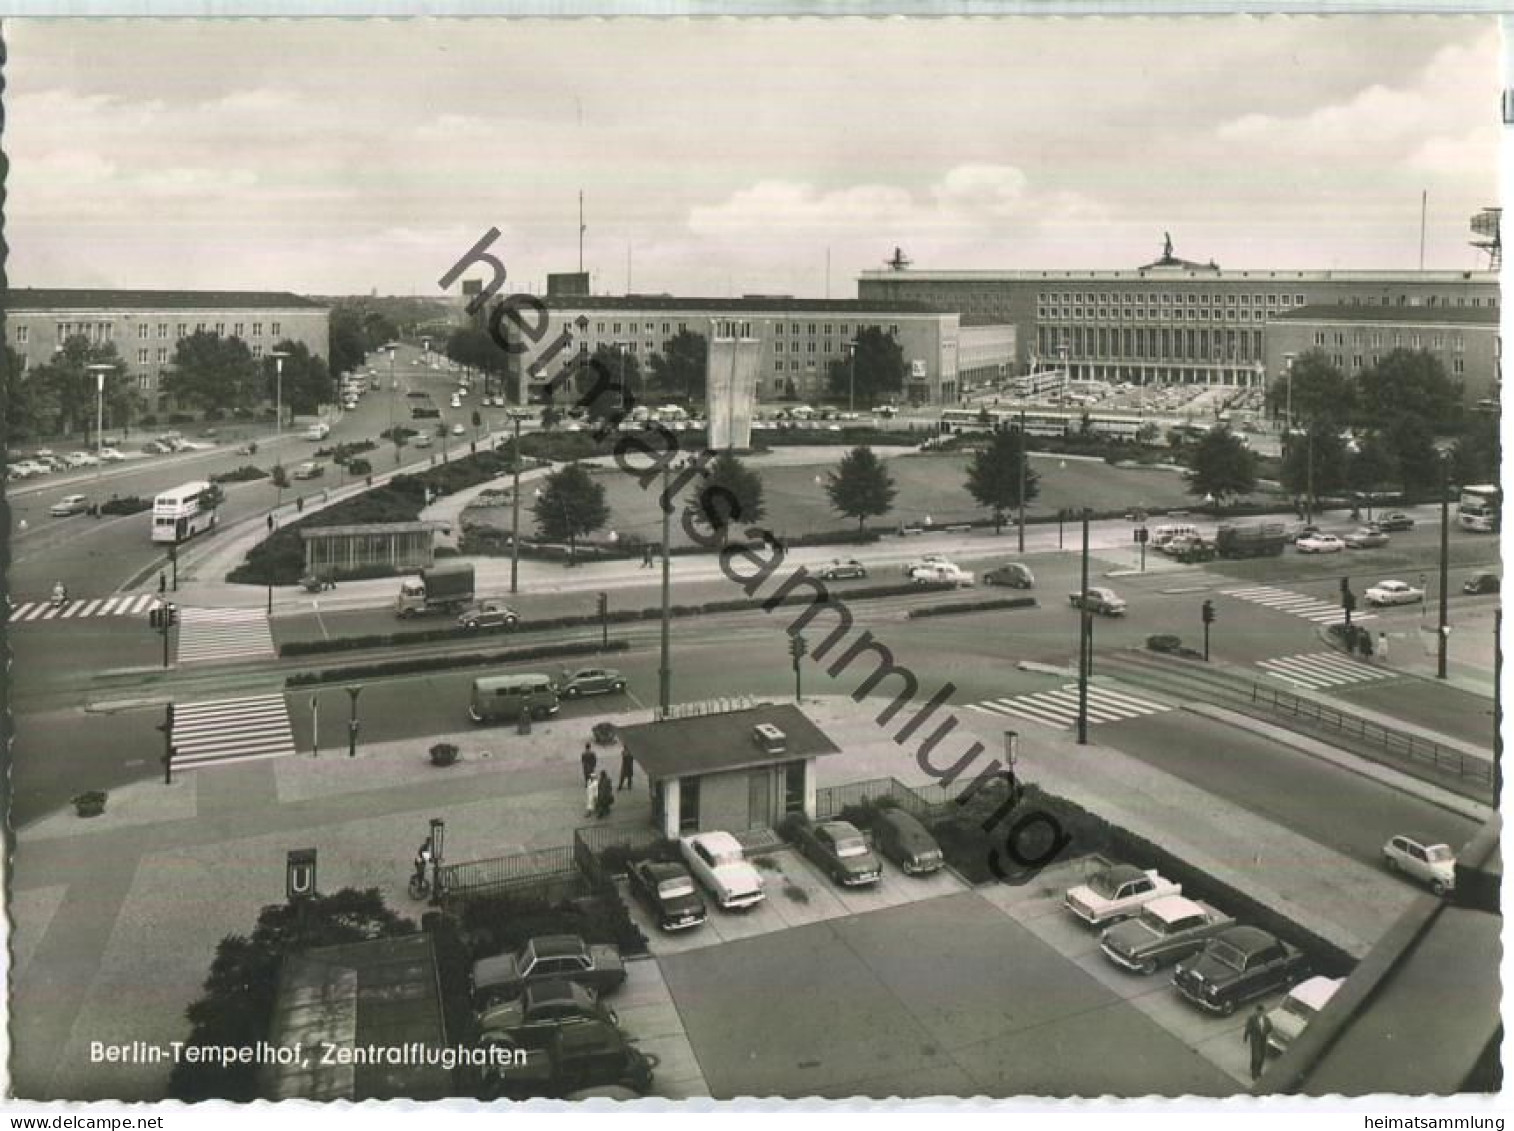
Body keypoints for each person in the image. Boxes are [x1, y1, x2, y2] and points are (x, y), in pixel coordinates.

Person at [1243, 1004, 1272, 1081]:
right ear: (1256, 1011)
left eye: (1261, 1012)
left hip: (1263, 1039)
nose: (1259, 1013)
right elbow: (1248, 1028)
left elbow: (1270, 1027)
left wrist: (1265, 1032)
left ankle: (1258, 1071)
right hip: (1255, 1039)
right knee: (1256, 1056)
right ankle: (1254, 1073)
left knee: (1262, 1055)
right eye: (1258, 1011)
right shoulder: (1252, 1018)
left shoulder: (1266, 1019)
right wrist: (1245, 1037)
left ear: (1263, 1011)